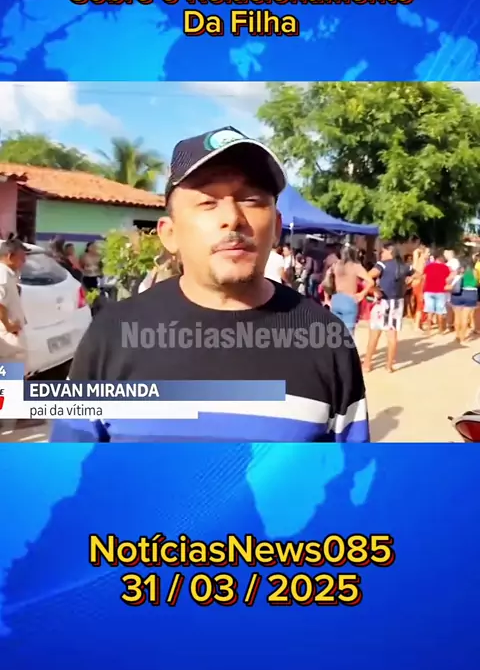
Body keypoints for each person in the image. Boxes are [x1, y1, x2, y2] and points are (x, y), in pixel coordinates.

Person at [68, 125, 369, 443]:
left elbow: (351, 470)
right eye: (208, 202)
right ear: (170, 233)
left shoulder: (327, 340)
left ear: (276, 227)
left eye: (251, 199)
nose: (233, 218)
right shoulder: (110, 335)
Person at [363, 241, 413, 373]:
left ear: (390, 251)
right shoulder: (405, 266)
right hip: (397, 302)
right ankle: (389, 366)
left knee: (375, 333)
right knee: (392, 335)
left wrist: (374, 290)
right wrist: (410, 282)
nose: (381, 254)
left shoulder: (382, 265)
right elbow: (419, 275)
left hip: (383, 301)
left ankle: (367, 364)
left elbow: (367, 277)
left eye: (383, 251)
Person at [325, 246, 373, 336]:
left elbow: (327, 280)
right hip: (349, 300)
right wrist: (362, 294)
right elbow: (370, 281)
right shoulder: (355, 266)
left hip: (336, 299)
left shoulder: (336, 265)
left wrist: (326, 298)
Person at [0, 238, 27, 363]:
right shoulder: (3, 274)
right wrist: (8, 325)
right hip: (8, 336)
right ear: (10, 256)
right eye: (21, 258)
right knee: (10, 372)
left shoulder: (9, 274)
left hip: (12, 335)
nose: (24, 261)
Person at [447, 256, 479, 344]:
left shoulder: (459, 271)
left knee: (457, 317)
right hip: (471, 294)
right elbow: (476, 283)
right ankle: (462, 338)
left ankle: (457, 336)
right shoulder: (474, 271)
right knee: (465, 317)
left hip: (458, 293)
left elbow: (450, 280)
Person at [422, 250, 450, 335]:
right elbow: (447, 279)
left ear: (435, 258)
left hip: (428, 291)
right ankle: (441, 330)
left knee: (429, 311)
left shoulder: (428, 266)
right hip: (440, 291)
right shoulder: (446, 268)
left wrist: (423, 290)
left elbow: (424, 278)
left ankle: (428, 331)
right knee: (440, 312)